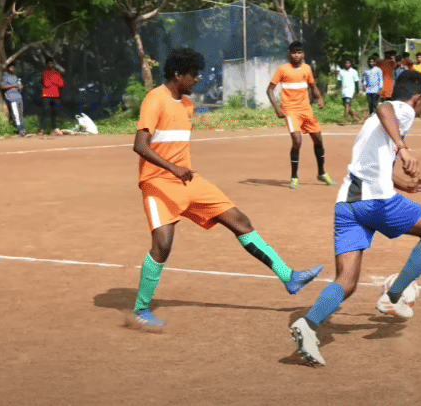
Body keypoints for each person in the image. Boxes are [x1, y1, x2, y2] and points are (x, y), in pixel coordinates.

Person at [128, 48, 324, 330]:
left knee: (240, 221)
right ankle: (140, 309)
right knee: (163, 244)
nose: (197, 79)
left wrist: (179, 170)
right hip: (158, 183)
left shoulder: (187, 104)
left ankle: (288, 276)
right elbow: (140, 145)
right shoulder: (155, 99)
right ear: (177, 74)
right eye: (193, 74)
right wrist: (172, 168)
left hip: (188, 181)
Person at [289, 71, 421, 367]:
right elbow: (384, 106)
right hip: (377, 204)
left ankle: (308, 325)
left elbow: (373, 166)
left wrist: (407, 185)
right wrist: (403, 148)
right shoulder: (400, 110)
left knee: (346, 282)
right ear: (419, 99)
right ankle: (394, 295)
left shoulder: (374, 127)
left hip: (347, 205)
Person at [266, 41, 337, 189]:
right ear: (289, 53)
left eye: (299, 52)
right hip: (291, 110)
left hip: (307, 110)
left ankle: (322, 173)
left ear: (303, 54)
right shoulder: (282, 70)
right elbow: (270, 90)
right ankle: (294, 177)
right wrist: (277, 108)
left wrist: (320, 97)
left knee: (318, 139)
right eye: (293, 52)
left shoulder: (307, 68)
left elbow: (313, 85)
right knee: (297, 140)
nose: (296, 55)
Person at [0, 62, 27, 137]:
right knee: (16, 114)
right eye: (11, 67)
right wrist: (13, 85)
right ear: (8, 68)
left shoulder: (15, 76)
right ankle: (20, 130)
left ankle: (23, 129)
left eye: (14, 68)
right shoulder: (5, 76)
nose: (13, 69)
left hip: (18, 97)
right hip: (11, 97)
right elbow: (2, 87)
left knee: (20, 114)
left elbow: (19, 85)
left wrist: (21, 87)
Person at [39, 57, 64, 136]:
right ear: (46, 64)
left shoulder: (57, 73)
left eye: (51, 63)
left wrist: (52, 81)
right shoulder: (45, 72)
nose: (50, 64)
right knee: (46, 112)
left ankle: (54, 129)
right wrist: (55, 81)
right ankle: (42, 130)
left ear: (53, 64)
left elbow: (61, 84)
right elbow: (46, 83)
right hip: (46, 95)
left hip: (56, 95)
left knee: (55, 112)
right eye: (48, 63)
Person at [337, 58, 360, 125]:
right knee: (347, 106)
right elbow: (339, 81)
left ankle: (345, 120)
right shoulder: (341, 71)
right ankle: (355, 118)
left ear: (350, 64)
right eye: (346, 63)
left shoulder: (354, 71)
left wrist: (357, 91)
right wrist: (337, 89)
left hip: (350, 91)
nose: (347, 64)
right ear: (344, 64)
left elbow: (356, 82)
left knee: (347, 105)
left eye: (348, 63)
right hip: (344, 91)